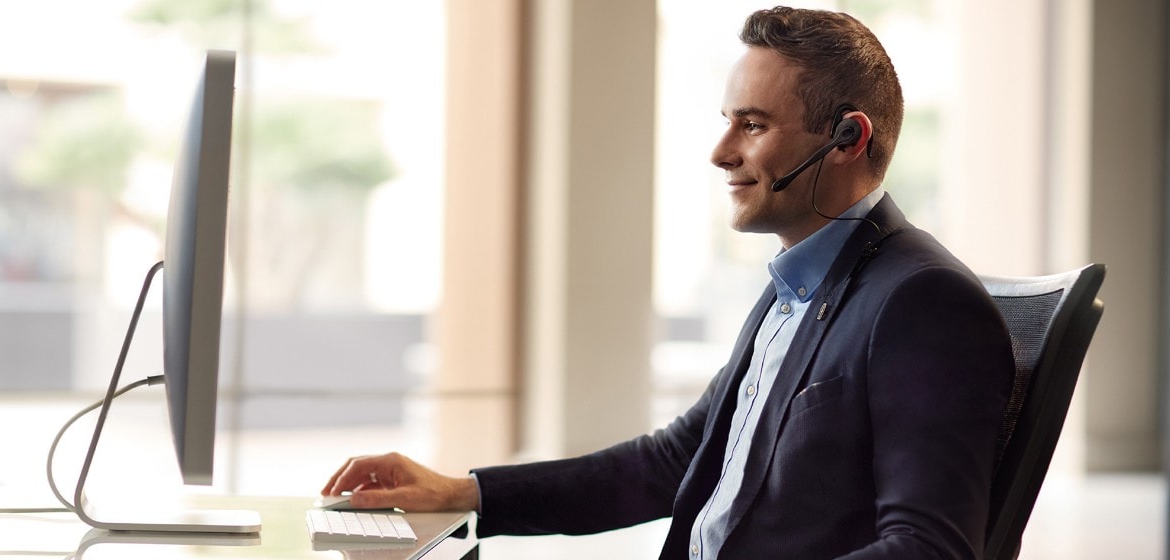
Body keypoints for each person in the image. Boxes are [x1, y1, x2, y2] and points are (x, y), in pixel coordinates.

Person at [323, 6, 1013, 559]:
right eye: (727, 122)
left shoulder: (922, 302)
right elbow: (671, 462)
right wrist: (463, 492)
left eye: (753, 124)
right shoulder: (798, 286)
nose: (721, 152)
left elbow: (929, 547)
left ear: (848, 139)